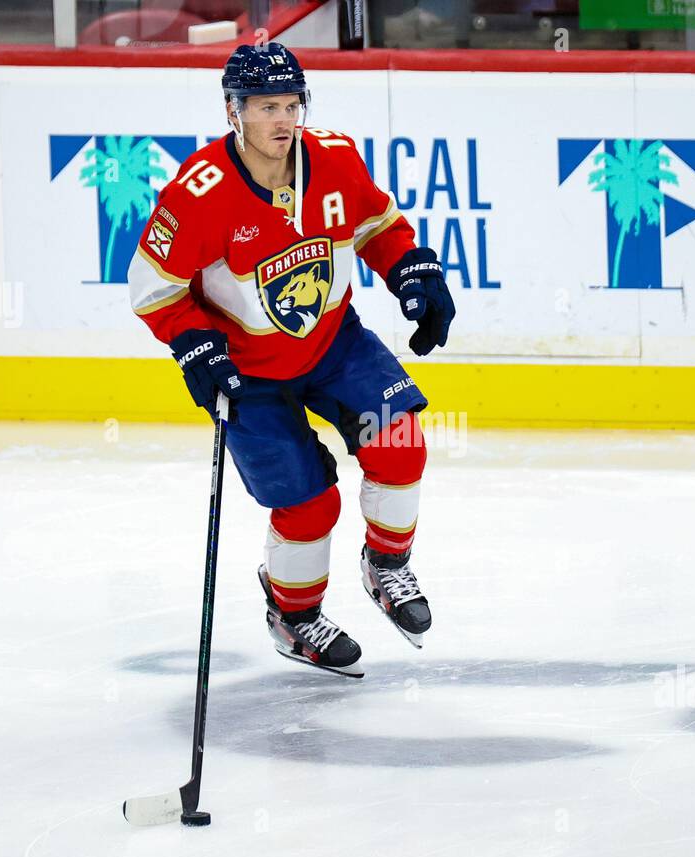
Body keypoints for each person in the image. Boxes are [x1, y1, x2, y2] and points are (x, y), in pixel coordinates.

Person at [127, 43, 455, 678]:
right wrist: (194, 345)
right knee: (309, 506)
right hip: (248, 374)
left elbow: (377, 226)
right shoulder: (199, 192)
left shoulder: (333, 157)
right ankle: (295, 616)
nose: (283, 119)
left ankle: (386, 566)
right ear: (235, 111)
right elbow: (152, 285)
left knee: (399, 441)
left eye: (291, 104)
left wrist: (411, 270)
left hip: (334, 342)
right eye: (266, 107)